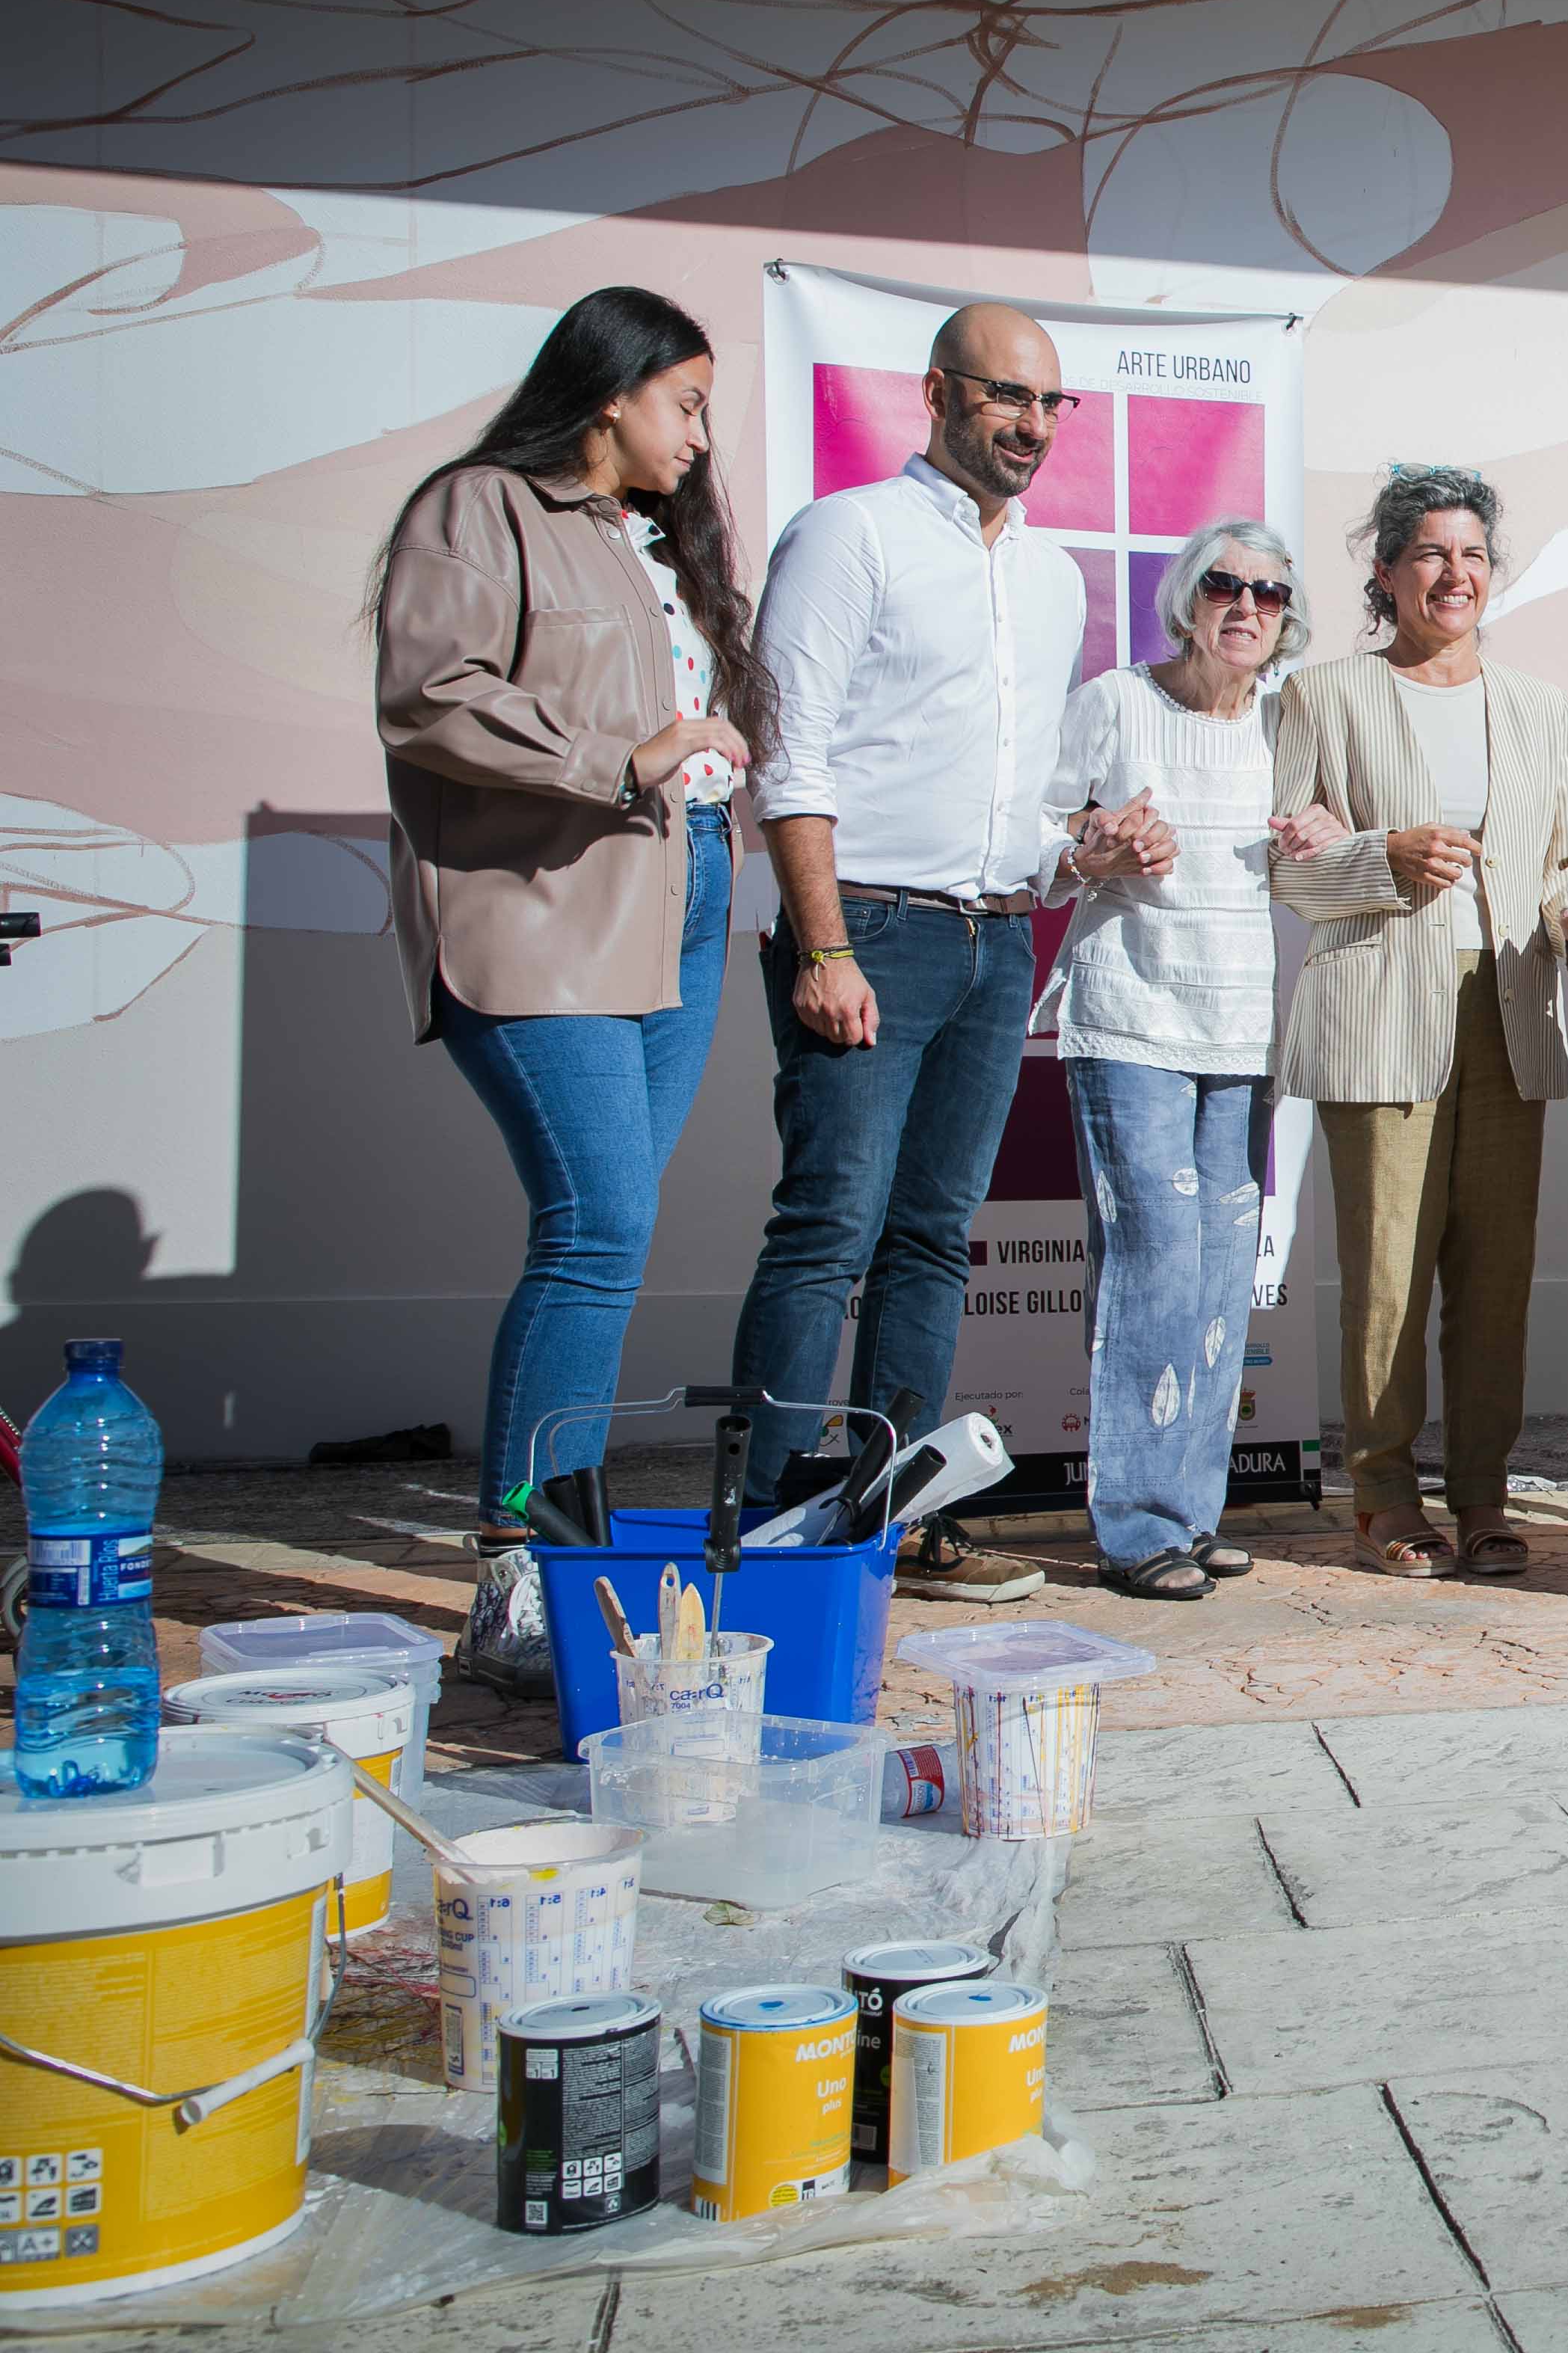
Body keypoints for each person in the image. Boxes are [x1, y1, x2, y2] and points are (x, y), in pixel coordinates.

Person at [737, 302, 1151, 1601]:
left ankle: (893, 1511)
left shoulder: (1051, 578)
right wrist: (822, 946)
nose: (1031, 426)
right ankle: (769, 1518)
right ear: (937, 394)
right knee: (827, 1232)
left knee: (931, 1239)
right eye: (1005, 398)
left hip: (993, 940)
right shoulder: (847, 535)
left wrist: (1080, 850)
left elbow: (1013, 801)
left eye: (1050, 404)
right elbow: (787, 758)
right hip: (863, 930)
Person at [374, 287, 760, 1513]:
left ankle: (556, 1541)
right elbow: (429, 693)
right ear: (612, 386)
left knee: (613, 1238)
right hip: (544, 916)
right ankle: (525, 1560)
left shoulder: (646, 538)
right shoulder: (476, 505)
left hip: (682, 894)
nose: (701, 437)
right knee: (595, 1226)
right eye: (687, 405)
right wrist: (620, 755)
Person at [1273, 466, 1568, 1578]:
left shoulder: (1537, 708)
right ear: (1385, 572)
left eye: (1473, 554)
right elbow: (1288, 872)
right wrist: (1385, 858)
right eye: (1429, 553)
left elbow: (1563, 866)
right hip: (1380, 1009)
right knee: (1388, 1272)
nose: (1455, 574)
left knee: (1494, 1275)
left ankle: (1482, 1494)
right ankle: (1382, 1492)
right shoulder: (1321, 697)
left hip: (1510, 1013)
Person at [1038, 520, 1354, 1598]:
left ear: (1287, 620)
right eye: (1225, 585)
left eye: (1269, 595)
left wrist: (1320, 847)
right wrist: (1095, 848)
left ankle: (1188, 1512)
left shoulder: (1281, 725)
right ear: (1186, 596)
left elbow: (1312, 879)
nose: (1245, 607)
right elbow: (1032, 837)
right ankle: (1132, 1528)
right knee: (1157, 1265)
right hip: (1130, 1019)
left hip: (1239, 1033)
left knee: (1224, 1279)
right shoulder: (1117, 703)